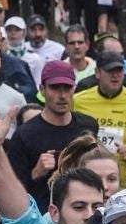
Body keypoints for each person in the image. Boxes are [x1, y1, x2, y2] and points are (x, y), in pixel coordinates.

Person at [6, 60, 100, 207]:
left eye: (67, 88)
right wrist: (35, 173)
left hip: (84, 212)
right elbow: (11, 191)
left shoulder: (88, 126)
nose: (62, 95)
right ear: (42, 89)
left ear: (74, 89)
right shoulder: (24, 135)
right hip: (42, 217)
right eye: (55, 88)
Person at [71, 51, 126, 188]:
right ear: (97, 73)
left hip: (123, 186)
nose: (115, 75)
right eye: (110, 71)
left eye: (119, 70)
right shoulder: (77, 101)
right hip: (84, 182)